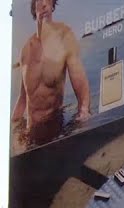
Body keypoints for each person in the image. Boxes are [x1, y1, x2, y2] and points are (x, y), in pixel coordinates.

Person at [12, 0, 92, 152]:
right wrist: (13, 132)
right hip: (31, 133)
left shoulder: (64, 37)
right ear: (33, 6)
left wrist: (84, 113)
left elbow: (81, 85)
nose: (44, 4)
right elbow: (23, 98)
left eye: (48, 0)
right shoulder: (26, 50)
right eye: (39, 0)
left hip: (54, 128)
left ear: (53, 4)